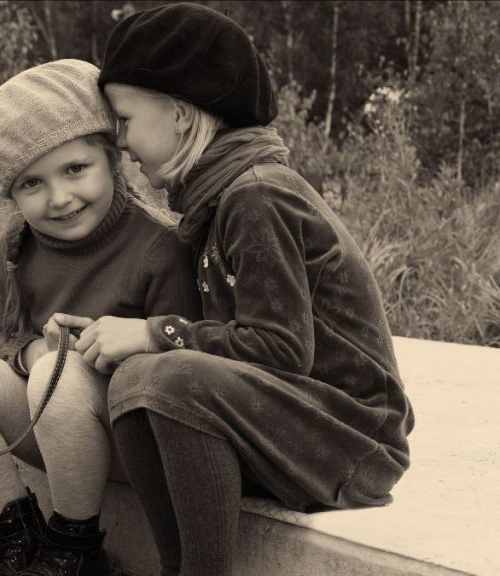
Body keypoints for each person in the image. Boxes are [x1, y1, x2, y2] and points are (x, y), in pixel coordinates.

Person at [49, 4, 415, 576]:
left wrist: (153, 333)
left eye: (123, 119)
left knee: (167, 375)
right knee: (136, 377)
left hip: (351, 439)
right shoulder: (213, 201)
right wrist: (113, 331)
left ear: (178, 112)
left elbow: (281, 349)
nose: (120, 142)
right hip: (289, 423)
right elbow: (219, 338)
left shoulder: (257, 196)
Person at [0, 59, 201, 576]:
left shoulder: (160, 247)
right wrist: (35, 350)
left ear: (112, 157)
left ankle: (74, 547)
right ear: (12, 195)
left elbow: (190, 372)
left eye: (75, 169)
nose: (60, 198)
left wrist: (98, 356)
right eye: (32, 184)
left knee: (60, 374)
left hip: (129, 443)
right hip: (44, 424)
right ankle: (17, 530)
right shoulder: (16, 244)